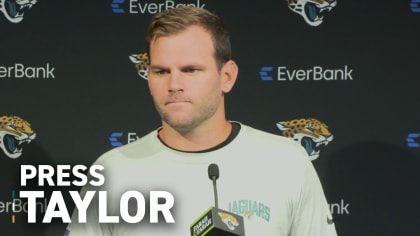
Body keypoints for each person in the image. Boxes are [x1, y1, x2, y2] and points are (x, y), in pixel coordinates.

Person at [66, 6, 337, 236]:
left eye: (191, 70)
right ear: (148, 78)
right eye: (161, 71)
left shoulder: (287, 163)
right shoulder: (111, 172)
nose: (174, 84)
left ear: (227, 77)